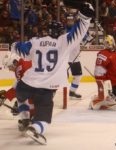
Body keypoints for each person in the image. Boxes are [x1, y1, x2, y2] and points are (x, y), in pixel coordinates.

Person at [10, 2, 94, 144]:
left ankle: (24, 116)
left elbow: (17, 48)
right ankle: (35, 128)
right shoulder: (64, 41)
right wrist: (85, 17)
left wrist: (13, 45)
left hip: (25, 85)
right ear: (61, 32)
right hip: (46, 89)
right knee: (44, 118)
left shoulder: (35, 42)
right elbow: (79, 30)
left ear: (47, 31)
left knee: (21, 96)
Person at [0, 51, 34, 130]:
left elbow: (20, 88)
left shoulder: (19, 68)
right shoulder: (25, 62)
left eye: (10, 67)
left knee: (22, 100)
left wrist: (6, 95)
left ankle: (28, 120)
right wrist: (6, 95)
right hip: (47, 87)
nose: (10, 69)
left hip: (39, 91)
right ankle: (32, 118)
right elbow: (19, 84)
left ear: (14, 62)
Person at [66, 13, 82, 99]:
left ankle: (72, 92)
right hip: (72, 58)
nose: (70, 21)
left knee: (77, 76)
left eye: (71, 20)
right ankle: (72, 92)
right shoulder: (69, 31)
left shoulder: (74, 29)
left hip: (72, 57)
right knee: (78, 76)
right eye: (68, 20)